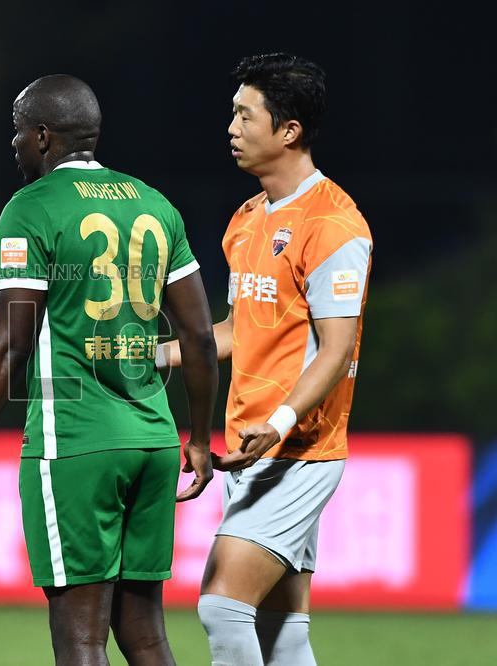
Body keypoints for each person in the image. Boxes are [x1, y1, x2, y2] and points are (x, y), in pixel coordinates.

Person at [0, 74, 218, 666]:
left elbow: (10, 345)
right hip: (153, 441)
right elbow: (198, 335)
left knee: (80, 637)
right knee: (145, 634)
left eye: (17, 132)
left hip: (76, 444)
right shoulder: (154, 203)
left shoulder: (32, 208)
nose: (13, 144)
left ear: (43, 137)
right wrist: (198, 438)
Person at [157, 53, 372, 665]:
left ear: (288, 131)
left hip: (296, 449)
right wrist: (155, 355)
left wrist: (277, 424)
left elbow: (337, 350)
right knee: (283, 630)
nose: (231, 128)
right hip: (250, 445)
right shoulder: (247, 220)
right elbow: (234, 330)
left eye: (244, 116)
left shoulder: (334, 223)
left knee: (221, 606)